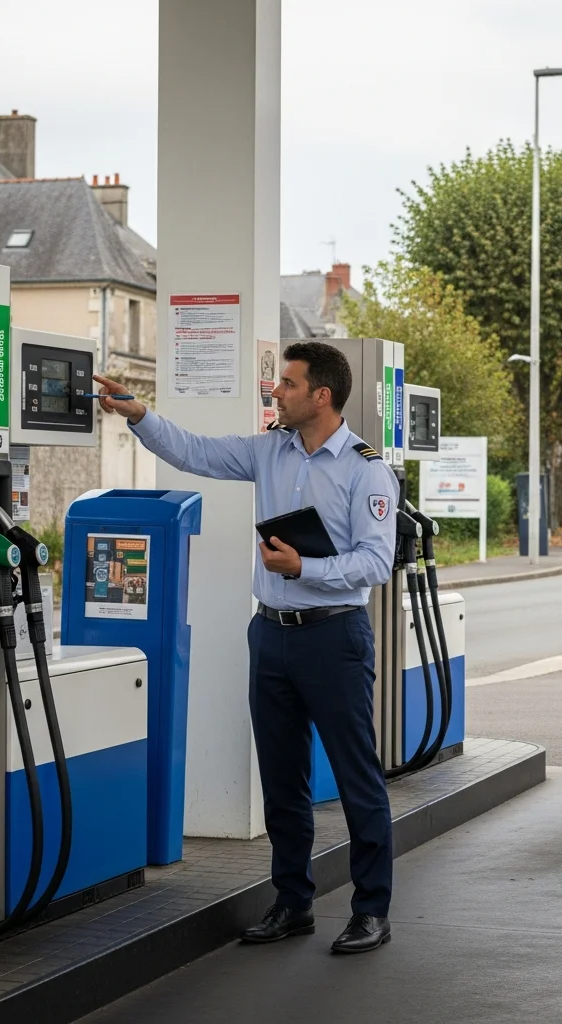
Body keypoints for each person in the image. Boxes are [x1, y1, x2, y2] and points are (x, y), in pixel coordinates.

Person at [93, 341, 399, 955]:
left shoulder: (367, 469)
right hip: (271, 635)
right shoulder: (270, 450)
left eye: (287, 384)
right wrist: (139, 415)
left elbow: (377, 561)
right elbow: (197, 453)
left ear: (321, 395)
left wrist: (302, 566)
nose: (275, 393)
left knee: (356, 776)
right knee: (281, 777)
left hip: (336, 635)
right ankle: (293, 902)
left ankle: (371, 910)